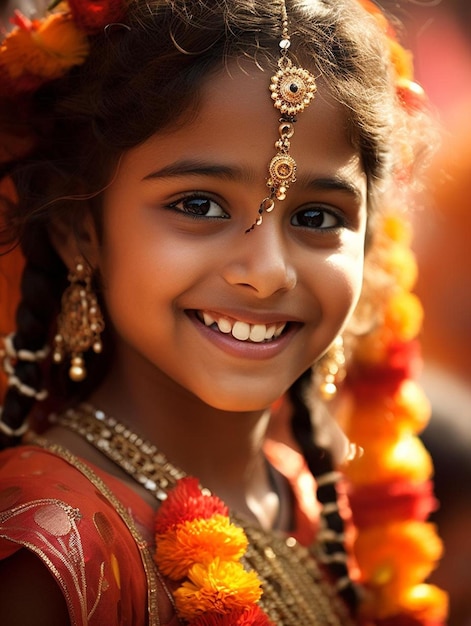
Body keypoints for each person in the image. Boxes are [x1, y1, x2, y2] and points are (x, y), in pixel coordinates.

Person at [0, 1, 448, 625]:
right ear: (82, 232)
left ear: (370, 243)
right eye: (200, 205)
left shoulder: (305, 502)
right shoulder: (52, 544)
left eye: (317, 218)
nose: (267, 273)